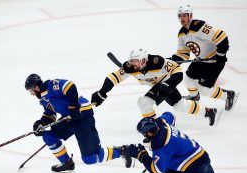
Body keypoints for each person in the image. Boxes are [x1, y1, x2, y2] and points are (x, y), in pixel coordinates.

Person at [25, 74, 132, 173]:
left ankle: (122, 151)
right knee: (49, 136)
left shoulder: (52, 85)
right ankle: (67, 164)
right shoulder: (43, 99)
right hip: (68, 119)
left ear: (36, 87)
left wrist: (73, 106)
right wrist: (41, 123)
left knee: (90, 159)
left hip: (82, 116)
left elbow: (70, 86)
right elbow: (50, 115)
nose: (32, 93)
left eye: (31, 90)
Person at [91, 49, 221, 126]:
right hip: (160, 86)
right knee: (180, 106)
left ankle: (154, 129)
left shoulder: (157, 62)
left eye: (135, 61)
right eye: (132, 61)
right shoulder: (129, 68)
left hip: (166, 84)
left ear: (143, 60)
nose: (133, 64)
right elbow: (113, 78)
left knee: (144, 102)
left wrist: (169, 84)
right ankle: (209, 111)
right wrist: (102, 92)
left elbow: (177, 71)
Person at [126, 112, 229, 173]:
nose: (144, 136)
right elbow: (170, 115)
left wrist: (141, 155)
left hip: (198, 163)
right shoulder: (161, 122)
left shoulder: (160, 144)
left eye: (144, 133)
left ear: (149, 133)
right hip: (179, 163)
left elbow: (155, 169)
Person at [171, 5, 239, 111]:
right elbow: (183, 53)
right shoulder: (182, 33)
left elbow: (221, 37)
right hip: (201, 60)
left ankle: (229, 95)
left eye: (185, 15)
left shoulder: (199, 26)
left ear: (190, 16)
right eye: (180, 16)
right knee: (188, 79)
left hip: (214, 61)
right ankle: (194, 96)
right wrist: (172, 61)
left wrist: (220, 55)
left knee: (204, 89)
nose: (182, 18)